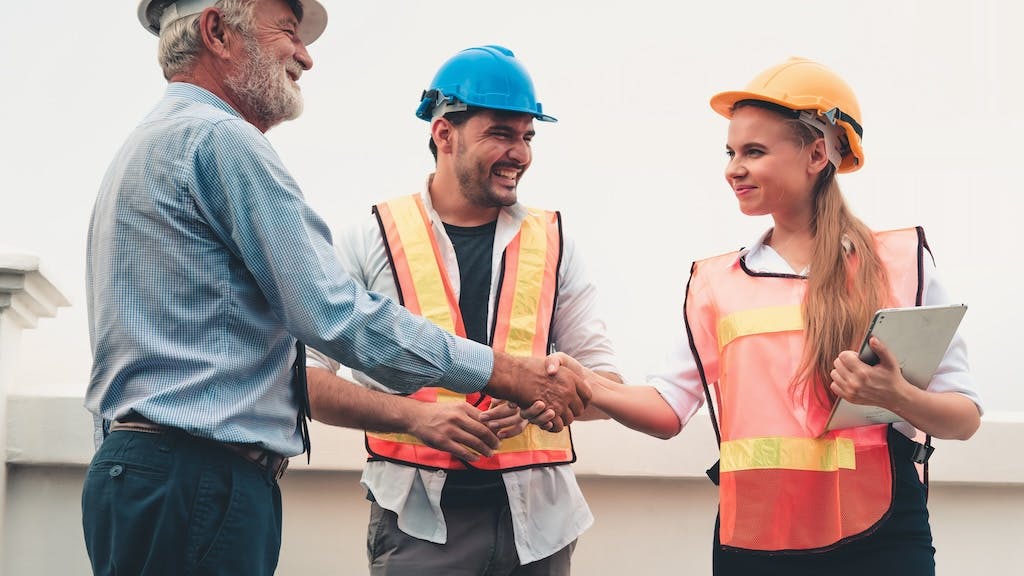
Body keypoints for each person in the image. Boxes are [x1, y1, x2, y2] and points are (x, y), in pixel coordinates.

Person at [83, 3, 588, 575]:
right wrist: (505, 373)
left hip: (151, 473)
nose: (306, 56)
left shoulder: (154, 140)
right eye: (289, 34)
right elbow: (334, 313)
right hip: (198, 479)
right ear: (217, 32)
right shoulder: (223, 141)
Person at [554, 57, 982, 575]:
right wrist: (587, 384)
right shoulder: (717, 283)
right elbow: (669, 410)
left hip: (883, 538)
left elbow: (963, 417)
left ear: (817, 154)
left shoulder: (899, 264)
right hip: (757, 544)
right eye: (731, 152)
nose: (733, 168)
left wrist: (898, 396)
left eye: (753, 151)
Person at [306, 45, 621, 576]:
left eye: (527, 136)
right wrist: (416, 417)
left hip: (539, 529)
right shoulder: (369, 237)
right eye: (500, 133)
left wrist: (537, 403)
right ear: (444, 134)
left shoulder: (555, 241)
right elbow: (307, 378)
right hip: (417, 526)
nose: (520, 152)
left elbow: (606, 385)